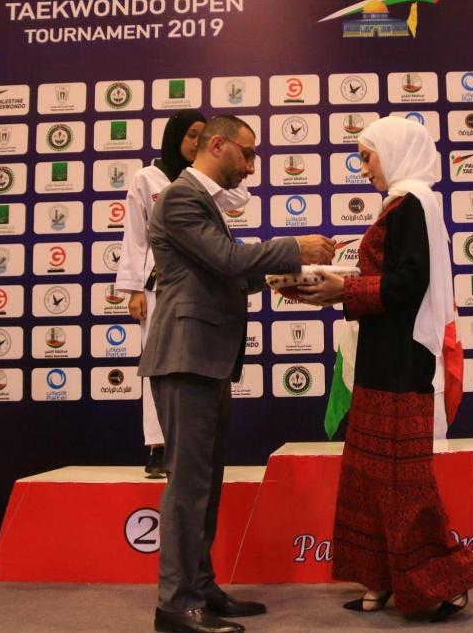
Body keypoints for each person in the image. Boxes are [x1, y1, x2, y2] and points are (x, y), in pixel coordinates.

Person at [139, 114, 335, 633]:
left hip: (206, 359)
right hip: (185, 357)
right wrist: (294, 248)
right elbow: (226, 260)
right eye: (247, 154)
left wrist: (279, 276)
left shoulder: (201, 202)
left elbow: (224, 273)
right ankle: (175, 604)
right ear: (218, 145)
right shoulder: (181, 197)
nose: (251, 166)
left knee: (204, 484)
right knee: (188, 487)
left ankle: (201, 588)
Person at [297, 116, 473, 621]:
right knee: (369, 475)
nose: (363, 170)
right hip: (382, 355)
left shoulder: (413, 203)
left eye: (367, 157)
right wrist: (333, 285)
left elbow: (408, 283)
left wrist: (344, 288)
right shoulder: (401, 203)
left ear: (396, 150)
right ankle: (379, 580)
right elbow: (388, 277)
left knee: (402, 482)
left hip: (402, 360)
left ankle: (447, 585)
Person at [116, 109, 251, 479]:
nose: (196, 142)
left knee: (199, 369)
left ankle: (190, 446)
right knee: (161, 367)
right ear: (175, 136)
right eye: (191, 135)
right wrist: (133, 289)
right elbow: (136, 234)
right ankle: (158, 446)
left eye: (202, 136)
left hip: (204, 282)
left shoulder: (205, 179)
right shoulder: (147, 177)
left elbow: (240, 198)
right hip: (159, 284)